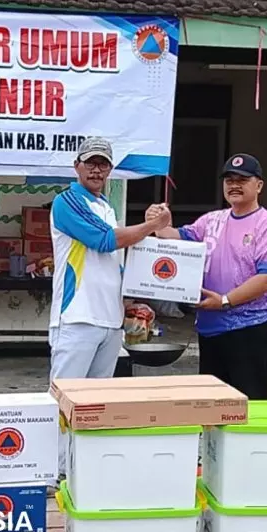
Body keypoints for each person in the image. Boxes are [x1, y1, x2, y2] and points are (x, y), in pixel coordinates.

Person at [147, 153, 267, 400]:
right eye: (229, 179)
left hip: (248, 328)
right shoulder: (211, 221)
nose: (234, 185)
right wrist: (157, 222)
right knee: (212, 401)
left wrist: (225, 300)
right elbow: (176, 238)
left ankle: (247, 441)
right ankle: (213, 441)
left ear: (259, 185)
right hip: (210, 327)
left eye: (243, 179)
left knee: (248, 402)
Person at [48, 136, 171, 382]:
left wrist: (127, 302)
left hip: (111, 321)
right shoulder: (67, 202)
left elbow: (115, 262)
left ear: (110, 169)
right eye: (90, 163)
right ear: (76, 166)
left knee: (96, 405)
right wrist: (152, 224)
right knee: (64, 402)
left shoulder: (106, 207)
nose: (96, 170)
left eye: (102, 164)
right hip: (78, 318)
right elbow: (105, 241)